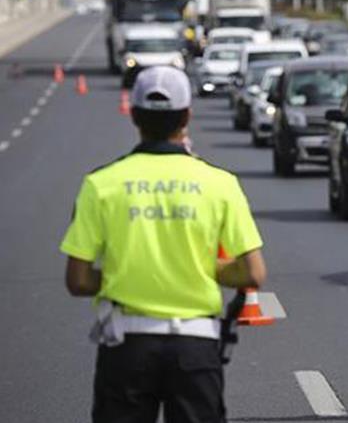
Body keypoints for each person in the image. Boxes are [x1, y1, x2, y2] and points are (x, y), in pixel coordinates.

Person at [61, 66, 267, 423]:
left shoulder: (101, 184)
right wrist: (205, 269)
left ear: (135, 116)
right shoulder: (220, 184)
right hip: (196, 347)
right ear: (187, 116)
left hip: (126, 345)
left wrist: (122, 274)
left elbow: (77, 280)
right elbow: (253, 272)